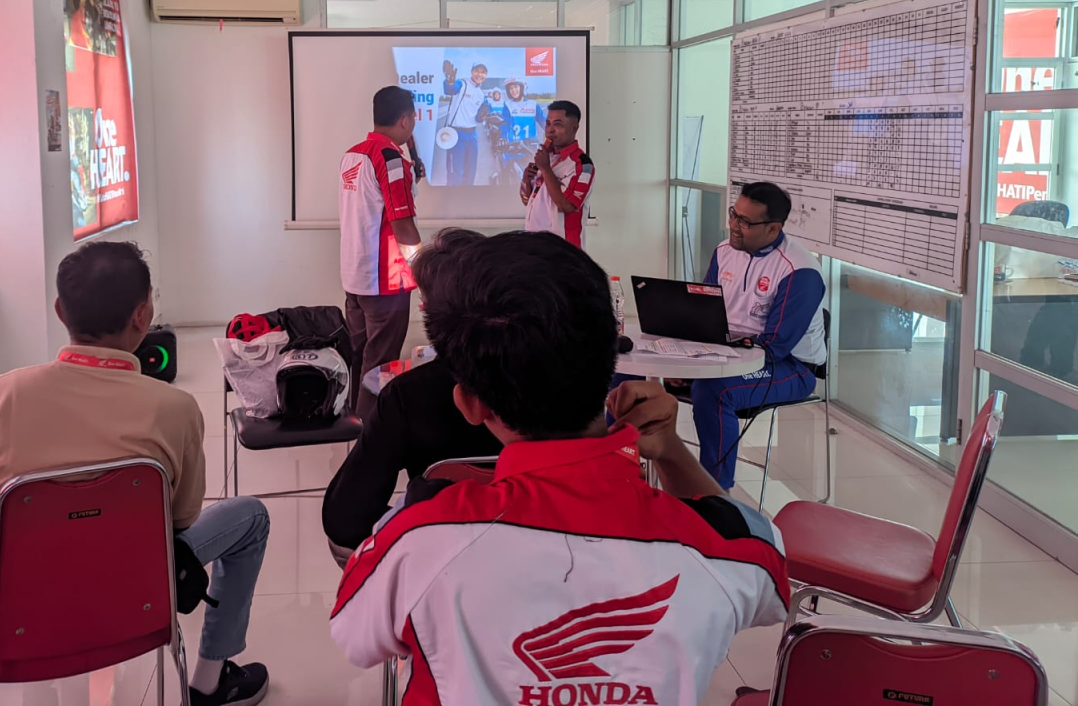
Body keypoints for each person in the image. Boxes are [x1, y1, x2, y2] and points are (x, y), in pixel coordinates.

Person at [330, 232, 788, 705]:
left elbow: (355, 635)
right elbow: (770, 578)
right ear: (615, 357)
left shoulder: (418, 541)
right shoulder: (716, 546)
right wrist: (671, 451)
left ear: (470, 403)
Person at [0, 242, 271, 706]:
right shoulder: (174, 408)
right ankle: (207, 683)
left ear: (60, 311)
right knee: (250, 517)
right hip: (137, 604)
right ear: (142, 315)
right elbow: (180, 521)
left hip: (25, 610)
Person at [322, 228, 500, 565]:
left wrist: (415, 523)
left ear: (425, 307)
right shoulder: (556, 383)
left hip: (438, 565)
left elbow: (344, 522)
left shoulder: (409, 396)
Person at [671, 181, 826, 491]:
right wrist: (685, 359)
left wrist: (705, 367)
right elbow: (706, 312)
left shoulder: (800, 271)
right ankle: (619, 465)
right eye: (734, 215)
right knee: (629, 369)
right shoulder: (724, 251)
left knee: (714, 390)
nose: (734, 226)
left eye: (745, 221)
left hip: (790, 367)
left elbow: (775, 347)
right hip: (730, 351)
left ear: (773, 229)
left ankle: (715, 492)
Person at [339, 86, 423, 417]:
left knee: (359, 353)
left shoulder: (353, 154)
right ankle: (369, 434)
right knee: (380, 364)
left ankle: (351, 418)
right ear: (406, 119)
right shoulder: (391, 160)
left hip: (354, 275)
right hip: (385, 279)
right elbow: (403, 225)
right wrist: (423, 268)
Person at [521, 99, 595, 248]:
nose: (550, 130)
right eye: (548, 124)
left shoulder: (583, 164)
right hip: (535, 245)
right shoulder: (547, 157)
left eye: (558, 124)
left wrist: (546, 169)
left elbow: (566, 206)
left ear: (574, 128)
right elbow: (528, 201)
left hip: (564, 249)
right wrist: (526, 180)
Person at [440, 60, 488, 185]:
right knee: (456, 173)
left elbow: (478, 118)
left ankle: (467, 199)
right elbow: (450, 89)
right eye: (477, 71)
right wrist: (449, 81)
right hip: (457, 134)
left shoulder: (481, 95)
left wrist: (482, 116)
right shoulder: (462, 84)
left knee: (470, 172)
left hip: (472, 135)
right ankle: (452, 201)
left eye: (483, 72)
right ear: (472, 72)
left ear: (486, 75)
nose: (479, 74)